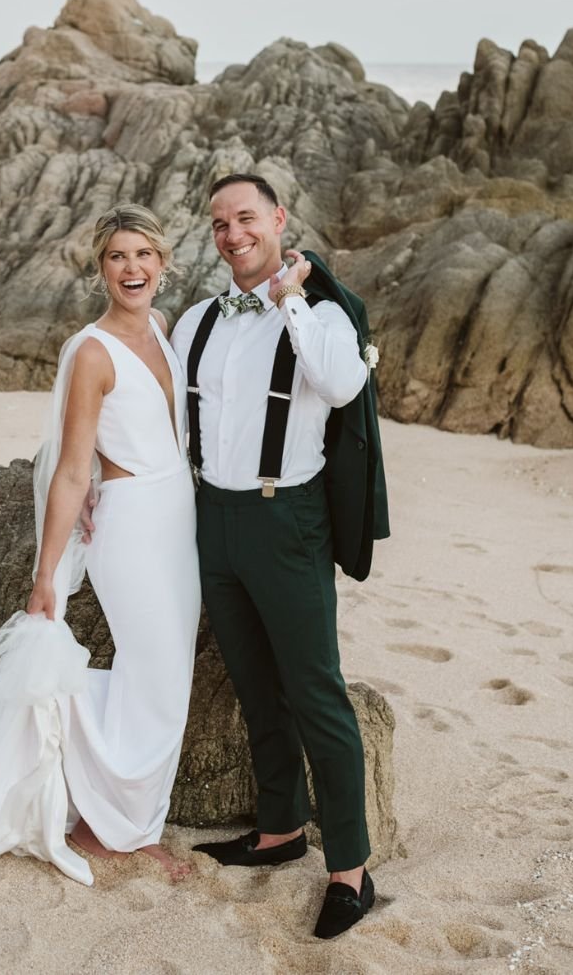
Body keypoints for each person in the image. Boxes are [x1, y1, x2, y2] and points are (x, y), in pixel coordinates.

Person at [0, 204, 200, 885]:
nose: (132, 268)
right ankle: (116, 830)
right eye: (117, 257)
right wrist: (47, 572)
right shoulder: (92, 352)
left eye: (143, 255)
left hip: (179, 516)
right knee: (157, 673)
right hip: (130, 526)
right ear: (101, 269)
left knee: (167, 679)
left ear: (164, 264)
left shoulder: (163, 329)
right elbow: (75, 466)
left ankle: (120, 812)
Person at [170, 173, 375, 939]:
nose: (232, 233)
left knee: (316, 690)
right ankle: (281, 826)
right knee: (256, 686)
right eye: (220, 222)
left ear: (279, 219)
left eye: (246, 217)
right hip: (211, 519)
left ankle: (350, 867)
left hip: (284, 518)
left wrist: (292, 295)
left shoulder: (319, 317)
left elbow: (344, 381)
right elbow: (175, 419)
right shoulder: (196, 320)